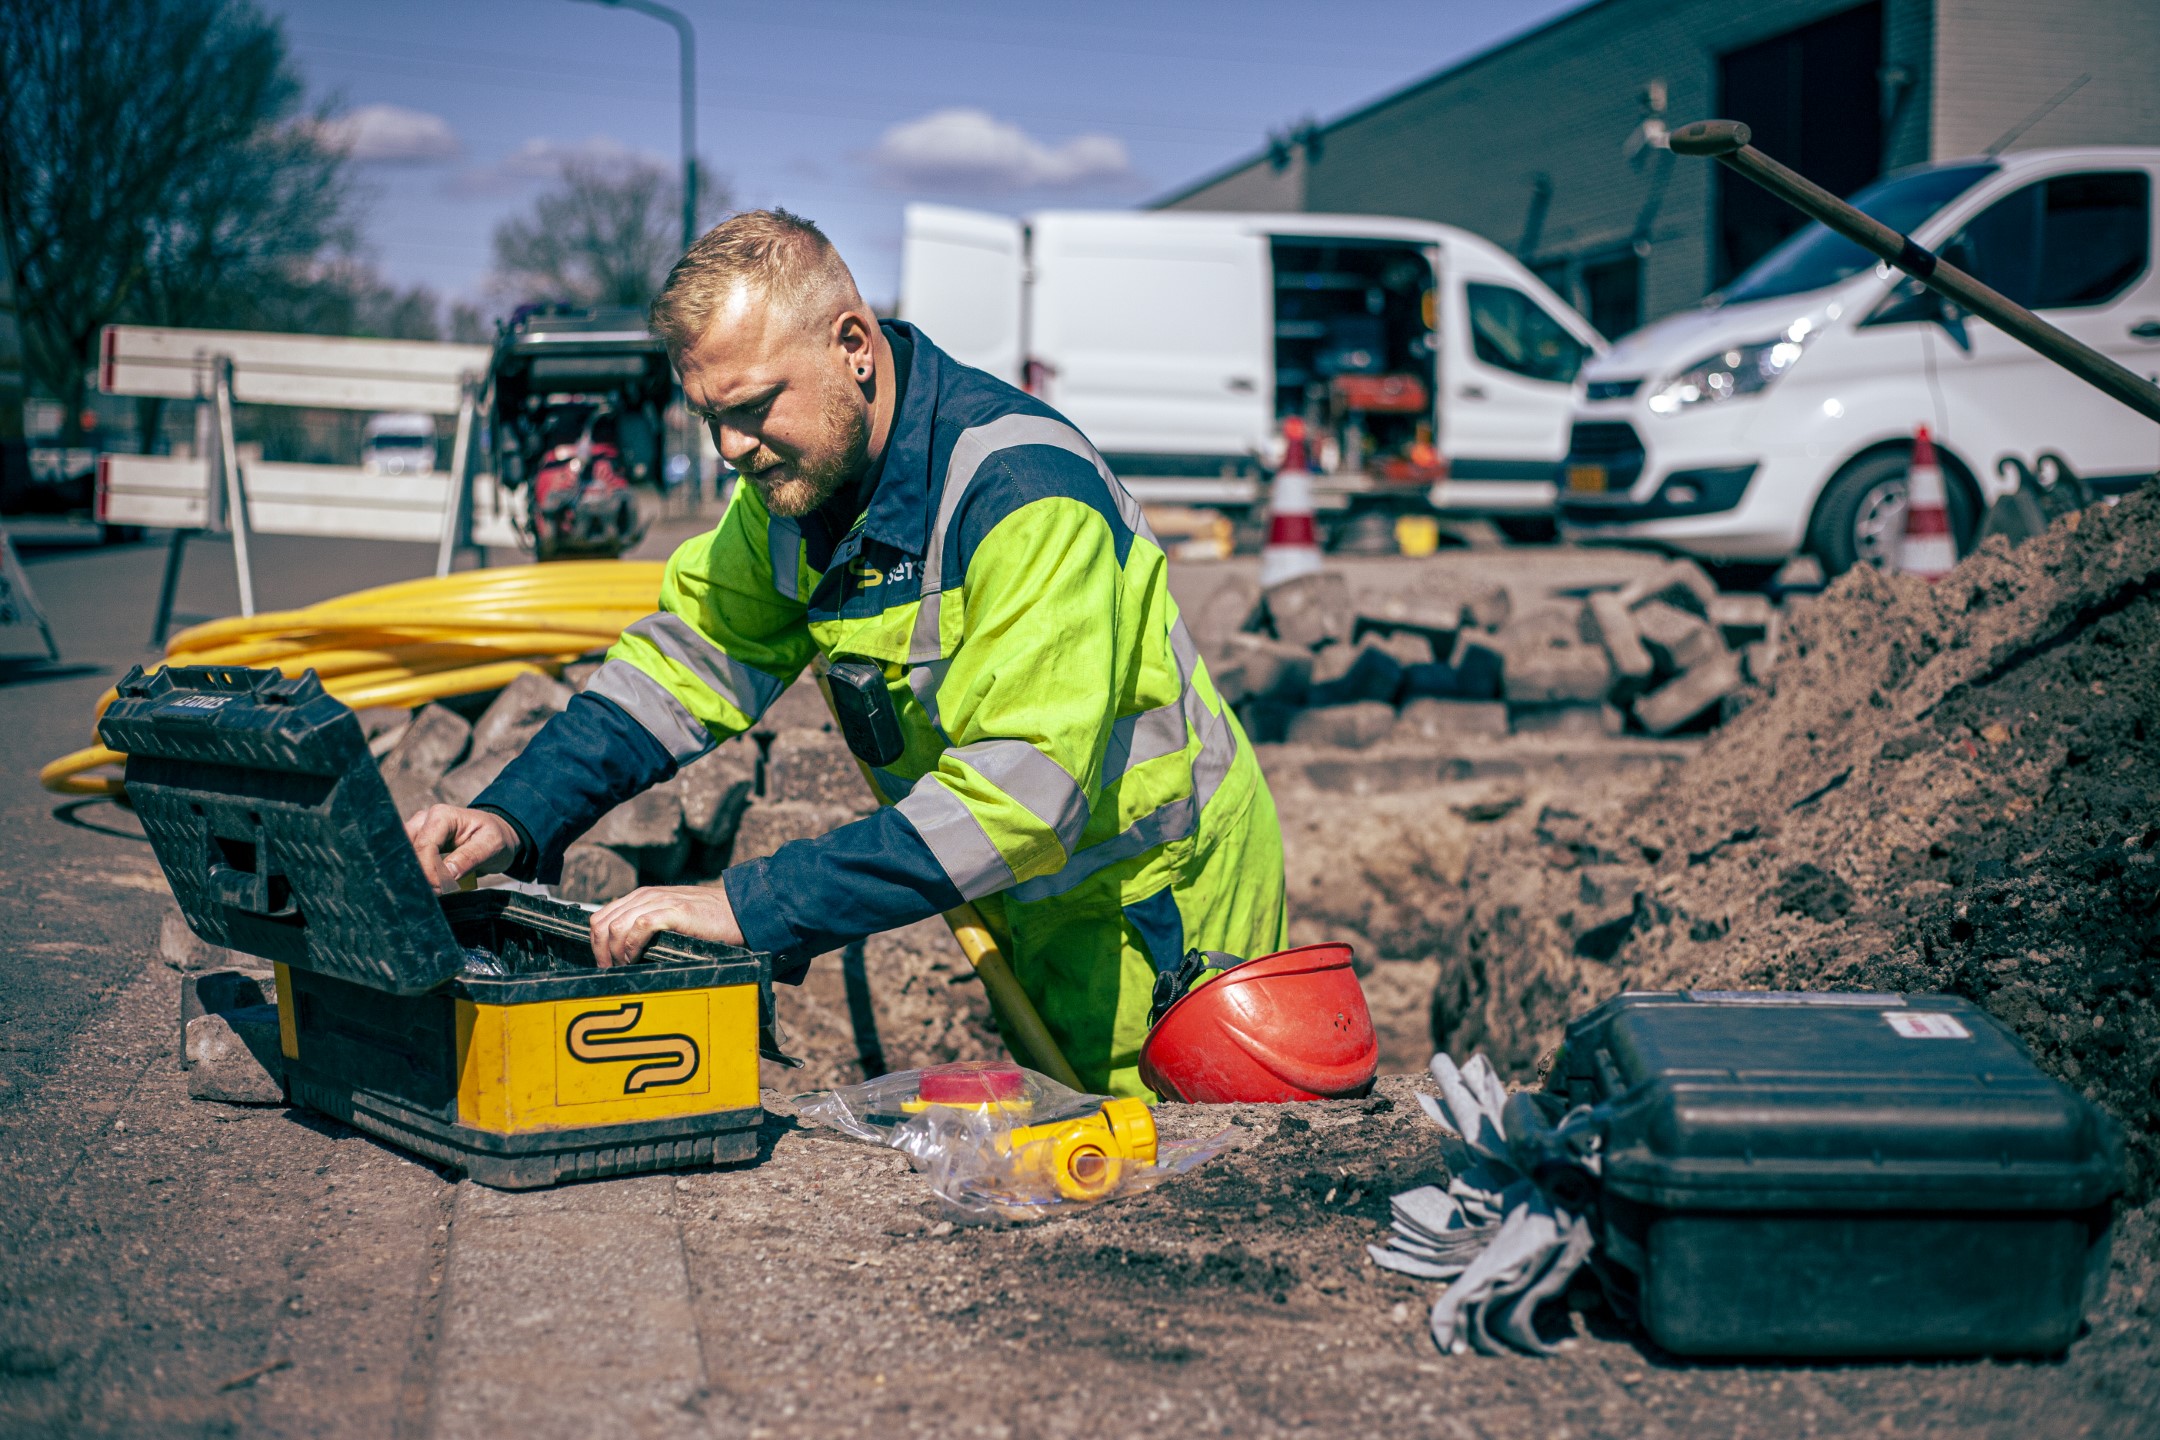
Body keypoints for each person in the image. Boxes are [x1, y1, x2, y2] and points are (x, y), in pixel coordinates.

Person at [405, 209, 1285, 1097]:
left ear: (854, 345)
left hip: (1165, 912)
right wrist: (514, 816)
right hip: (1031, 896)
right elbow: (685, 668)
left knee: (1175, 1175)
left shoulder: (1023, 497)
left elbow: (1023, 795)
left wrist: (748, 907)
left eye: (751, 408)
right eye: (710, 417)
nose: (731, 449)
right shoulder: (795, 488)